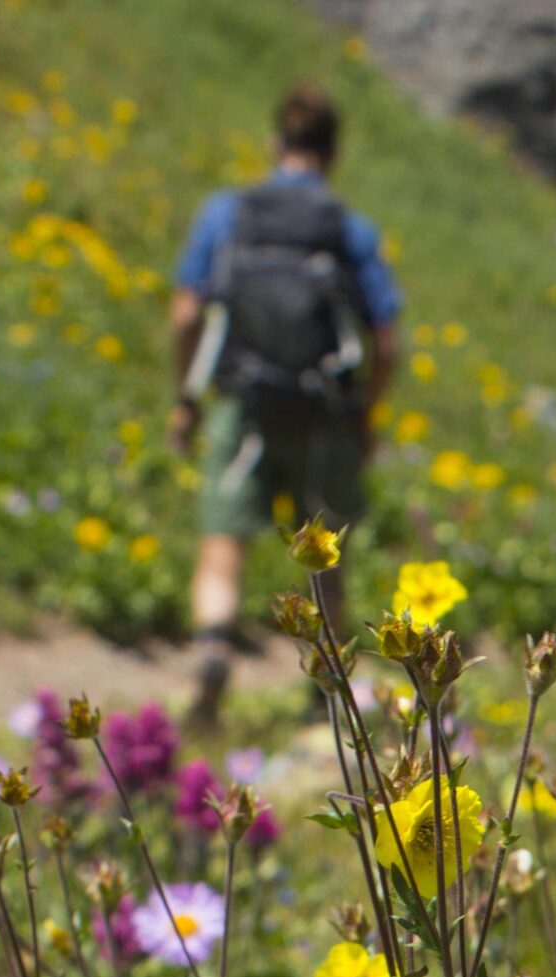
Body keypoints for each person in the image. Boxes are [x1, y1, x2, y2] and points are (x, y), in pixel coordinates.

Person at [169, 82, 402, 721]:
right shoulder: (347, 228)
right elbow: (387, 339)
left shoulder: (228, 213)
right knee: (325, 555)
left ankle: (214, 646)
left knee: (224, 539)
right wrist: (366, 413)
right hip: (324, 415)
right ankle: (322, 695)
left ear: (276, 145)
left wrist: (186, 397)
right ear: (333, 154)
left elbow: (187, 312)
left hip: (242, 404)